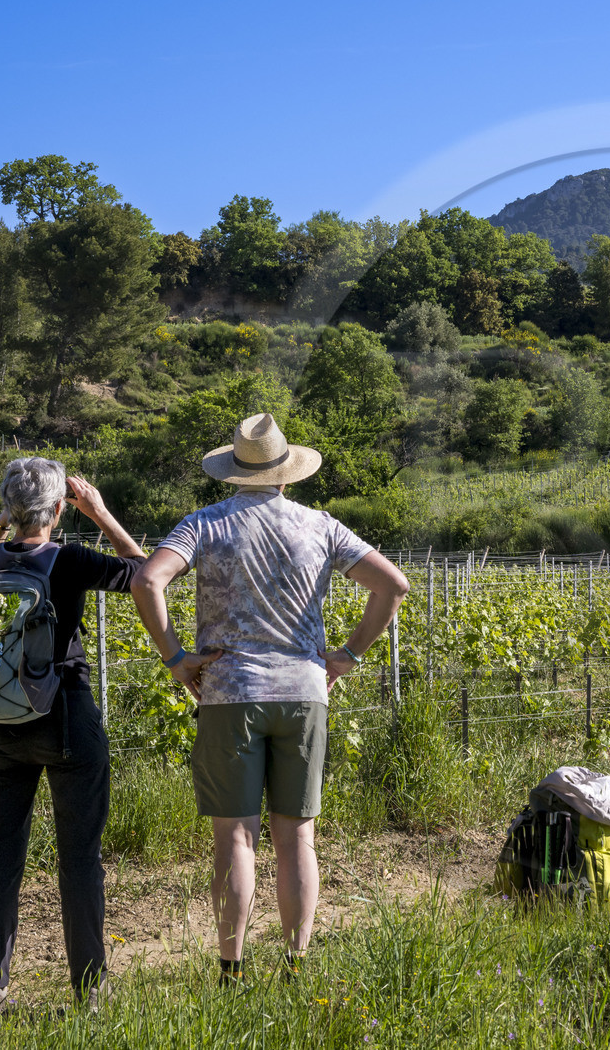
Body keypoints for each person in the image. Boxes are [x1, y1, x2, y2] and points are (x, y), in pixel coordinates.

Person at [130, 413, 408, 985]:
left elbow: (147, 580)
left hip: (230, 693)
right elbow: (393, 585)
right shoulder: (321, 525)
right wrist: (348, 655)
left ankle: (231, 970)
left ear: (233, 471)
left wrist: (176, 657)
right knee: (297, 835)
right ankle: (295, 965)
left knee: (235, 836)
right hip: (305, 694)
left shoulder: (205, 524)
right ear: (287, 472)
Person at [0, 459, 147, 1017]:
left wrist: (2, 523)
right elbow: (143, 570)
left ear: (10, 510)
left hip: (2, 725)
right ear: (60, 510)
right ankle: (89, 992)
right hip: (67, 717)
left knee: (1, 857)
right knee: (79, 859)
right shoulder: (68, 558)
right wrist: (102, 514)